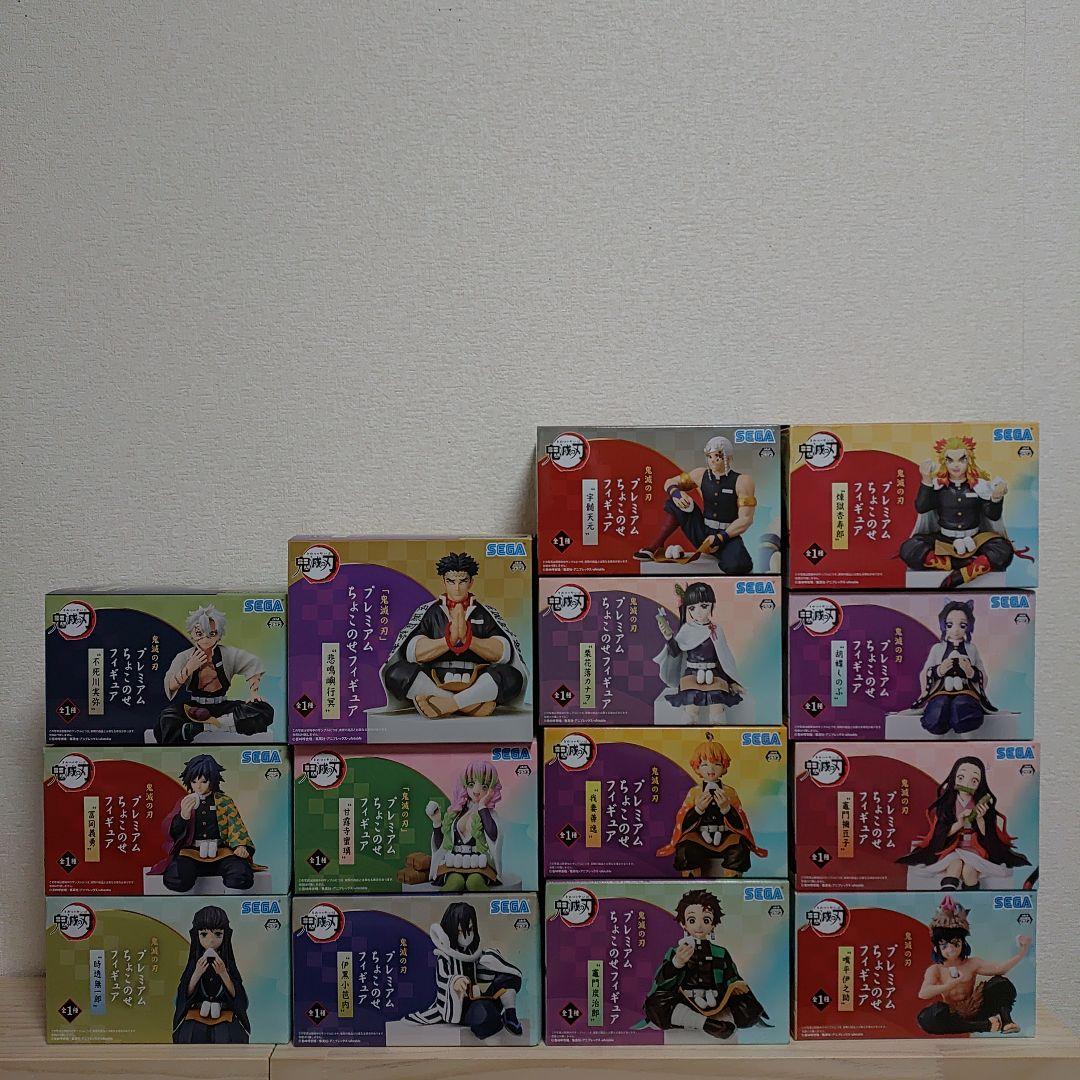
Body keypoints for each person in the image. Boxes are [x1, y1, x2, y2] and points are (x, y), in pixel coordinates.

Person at [381, 552, 528, 719]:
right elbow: (412, 653)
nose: (457, 588)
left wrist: (469, 640)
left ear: (471, 582)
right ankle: (467, 703)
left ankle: (447, 704)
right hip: (435, 679)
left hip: (477, 679)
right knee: (396, 674)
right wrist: (447, 641)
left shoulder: (485, 613)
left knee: (513, 677)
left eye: (462, 581)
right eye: (451, 581)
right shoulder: (430, 611)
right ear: (444, 581)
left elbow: (503, 654)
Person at [643, 889, 770, 1039]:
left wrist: (736, 986)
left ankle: (701, 1021)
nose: (699, 926)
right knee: (654, 1003)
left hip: (718, 999)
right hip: (684, 1001)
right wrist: (677, 963)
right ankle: (708, 1024)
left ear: (713, 925)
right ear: (683, 924)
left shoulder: (721, 952)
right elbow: (662, 983)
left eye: (706, 920)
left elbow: (731, 976)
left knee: (749, 1007)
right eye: (692, 920)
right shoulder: (676, 952)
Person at [899, 436, 1022, 588]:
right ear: (944, 462)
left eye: (962, 460)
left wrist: (996, 498)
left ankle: (963, 574)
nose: (956, 465)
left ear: (969, 461)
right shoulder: (939, 486)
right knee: (909, 549)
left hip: (975, 539)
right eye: (950, 460)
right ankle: (958, 563)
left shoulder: (979, 486)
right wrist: (926, 479)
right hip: (944, 538)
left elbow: (992, 515)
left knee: (1003, 550)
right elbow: (922, 507)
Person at [897, 756, 1030, 890]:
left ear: (979, 783)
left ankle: (971, 896)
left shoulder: (983, 805)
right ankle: (947, 895)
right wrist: (959, 824)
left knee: (969, 871)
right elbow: (940, 833)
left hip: (975, 847)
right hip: (952, 847)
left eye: (974, 780)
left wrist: (980, 819)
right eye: (961, 778)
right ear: (954, 778)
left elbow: (989, 836)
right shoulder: (947, 804)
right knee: (954, 866)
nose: (966, 784)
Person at [634, 436, 757, 573]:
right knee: (676, 501)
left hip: (727, 535)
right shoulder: (700, 474)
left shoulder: (743, 481)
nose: (713, 460)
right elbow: (670, 482)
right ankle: (656, 545)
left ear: (728, 457)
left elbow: (746, 519)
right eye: (709, 456)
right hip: (702, 531)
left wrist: (720, 538)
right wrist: (676, 493)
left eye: (718, 456)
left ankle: (723, 557)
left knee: (740, 565)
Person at [155, 605, 274, 744]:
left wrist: (254, 692)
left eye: (211, 634)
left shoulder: (228, 654)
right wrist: (189, 667)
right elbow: (170, 685)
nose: (205, 639)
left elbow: (252, 663)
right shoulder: (184, 657)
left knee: (263, 710)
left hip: (223, 705)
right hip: (194, 707)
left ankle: (204, 727)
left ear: (219, 634)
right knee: (167, 718)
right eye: (199, 633)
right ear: (192, 633)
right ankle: (219, 725)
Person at [407, 901, 524, 1039]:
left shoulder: (471, 953)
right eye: (460, 931)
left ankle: (510, 1015)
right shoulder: (445, 956)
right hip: (462, 1008)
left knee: (509, 977)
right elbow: (442, 978)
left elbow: (483, 974)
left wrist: (492, 962)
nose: (467, 936)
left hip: (479, 998)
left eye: (470, 929)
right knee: (485, 1013)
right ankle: (491, 1022)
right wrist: (455, 981)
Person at [916, 896, 1030, 1035]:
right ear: (937, 948)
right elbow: (923, 993)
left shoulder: (972, 963)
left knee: (1001, 983)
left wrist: (1022, 952)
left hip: (977, 1007)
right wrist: (949, 985)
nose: (950, 949)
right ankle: (983, 1026)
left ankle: (1007, 1021)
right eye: (944, 945)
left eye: (955, 943)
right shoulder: (936, 970)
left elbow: (999, 969)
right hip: (954, 1015)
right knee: (926, 1017)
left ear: (963, 943)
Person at [657, 739, 766, 878]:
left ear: (724, 768)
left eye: (717, 764)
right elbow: (683, 822)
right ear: (697, 768)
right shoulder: (694, 792)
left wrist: (727, 809)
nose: (711, 769)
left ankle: (732, 881)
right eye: (705, 765)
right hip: (700, 837)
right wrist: (698, 809)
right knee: (685, 848)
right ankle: (691, 882)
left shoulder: (730, 792)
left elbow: (741, 823)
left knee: (739, 848)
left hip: (726, 836)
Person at [150, 754, 258, 892]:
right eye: (194, 782)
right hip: (192, 853)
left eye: (203, 781)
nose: (198, 786)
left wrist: (240, 845)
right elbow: (171, 832)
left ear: (213, 780)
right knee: (176, 878)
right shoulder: (185, 801)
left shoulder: (224, 801)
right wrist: (183, 816)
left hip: (221, 852)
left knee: (240, 875)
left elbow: (235, 825)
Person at [654, 582, 744, 723]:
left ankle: (718, 732)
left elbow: (724, 658)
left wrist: (732, 681)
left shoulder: (716, 629)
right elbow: (676, 652)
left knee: (717, 708)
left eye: (704, 606)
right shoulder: (687, 629)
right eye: (692, 608)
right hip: (691, 674)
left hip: (714, 674)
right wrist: (669, 637)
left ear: (712, 605)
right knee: (691, 709)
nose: (698, 612)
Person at [909, 600, 996, 735]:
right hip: (940, 690)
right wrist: (939, 670)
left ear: (968, 626)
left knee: (962, 705)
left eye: (962, 625)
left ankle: (963, 730)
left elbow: (982, 675)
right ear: (943, 625)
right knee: (939, 707)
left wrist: (970, 672)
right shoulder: (937, 649)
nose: (955, 630)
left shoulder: (971, 649)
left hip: (966, 690)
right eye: (950, 625)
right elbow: (925, 672)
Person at [172, 905, 250, 1043]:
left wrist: (224, 974)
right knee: (191, 1035)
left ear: (225, 935)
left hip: (224, 1013)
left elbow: (240, 998)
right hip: (197, 1012)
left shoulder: (227, 962)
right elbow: (183, 995)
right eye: (204, 934)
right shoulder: (195, 962)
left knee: (228, 1035)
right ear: (196, 935)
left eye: (218, 934)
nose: (211, 940)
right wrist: (197, 973)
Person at [426, 760, 503, 892]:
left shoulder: (489, 814)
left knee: (474, 883)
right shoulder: (456, 812)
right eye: (471, 784)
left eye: (484, 786)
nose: (476, 791)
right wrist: (437, 822)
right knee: (454, 883)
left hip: (479, 864)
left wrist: (482, 805)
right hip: (454, 862)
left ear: (492, 789)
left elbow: (493, 836)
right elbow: (442, 845)